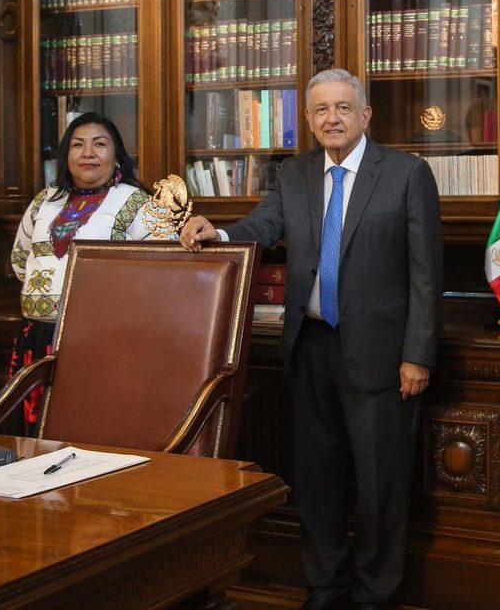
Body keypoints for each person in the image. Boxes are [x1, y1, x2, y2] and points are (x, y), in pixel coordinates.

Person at [179, 68, 443, 610]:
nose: (332, 118)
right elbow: (262, 227)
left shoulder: (405, 174)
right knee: (317, 481)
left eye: (343, 107)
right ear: (307, 119)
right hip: (310, 349)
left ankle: (375, 594)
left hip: (382, 356)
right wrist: (219, 232)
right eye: (321, 110)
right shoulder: (295, 175)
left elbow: (426, 274)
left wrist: (417, 355)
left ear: (366, 114)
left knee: (380, 485)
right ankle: (325, 589)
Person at [8, 112, 169, 436]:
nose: (88, 153)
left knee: (87, 432)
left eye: (100, 144)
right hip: (37, 338)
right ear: (66, 155)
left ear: (116, 155)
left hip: (102, 341)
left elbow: (163, 269)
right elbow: (20, 260)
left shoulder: (138, 202)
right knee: (33, 436)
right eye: (78, 145)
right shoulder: (44, 201)